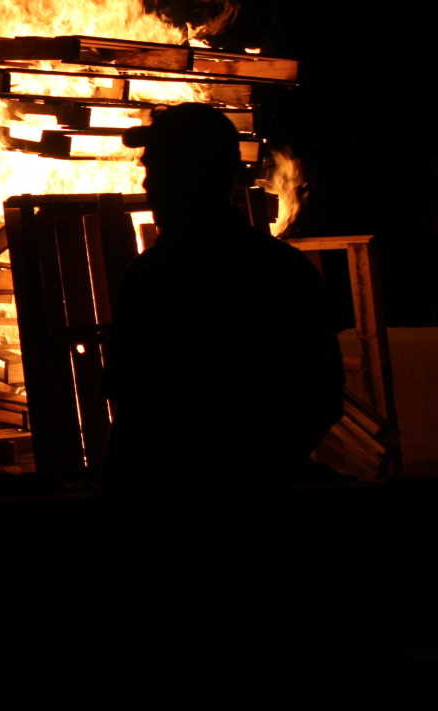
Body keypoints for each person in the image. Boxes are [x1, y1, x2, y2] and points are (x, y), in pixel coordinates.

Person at [107, 103, 343, 495]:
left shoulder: (153, 277)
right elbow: (321, 397)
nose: (147, 185)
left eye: (158, 169)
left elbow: (133, 403)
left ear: (191, 176)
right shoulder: (284, 270)